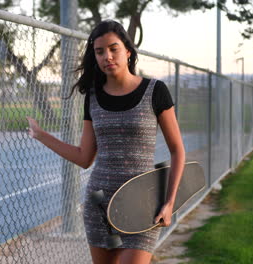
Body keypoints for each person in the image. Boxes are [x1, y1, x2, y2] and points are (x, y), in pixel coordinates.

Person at [26, 20, 185, 264]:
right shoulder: (93, 96)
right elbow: (83, 157)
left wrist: (169, 203)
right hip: (100, 205)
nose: (107, 56)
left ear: (128, 51)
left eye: (113, 48)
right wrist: (41, 135)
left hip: (142, 206)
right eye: (99, 51)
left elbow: (177, 151)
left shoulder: (156, 91)